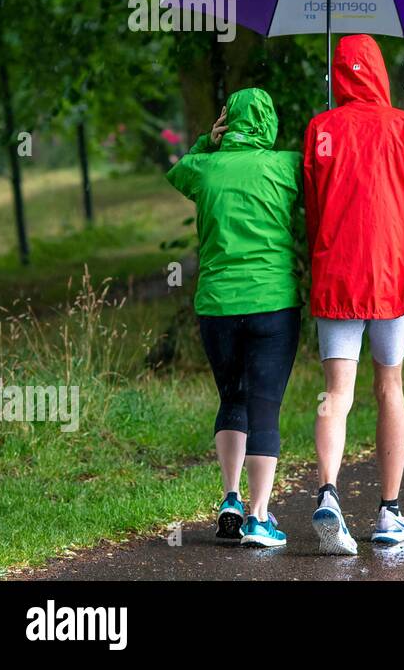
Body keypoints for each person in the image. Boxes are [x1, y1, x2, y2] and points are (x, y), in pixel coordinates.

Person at [303, 34, 404, 554]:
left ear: (338, 76)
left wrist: (319, 269)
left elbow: (314, 214)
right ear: (381, 72)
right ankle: (389, 512)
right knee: (390, 388)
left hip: (336, 277)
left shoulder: (320, 129)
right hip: (392, 281)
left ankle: (328, 494)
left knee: (335, 393)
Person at [166, 88, 302, 549]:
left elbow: (178, 172)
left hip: (217, 307)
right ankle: (259, 519)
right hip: (272, 302)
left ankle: (230, 496)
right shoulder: (286, 166)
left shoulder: (204, 169)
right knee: (265, 405)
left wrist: (208, 140)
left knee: (232, 397)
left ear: (229, 121)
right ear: (268, 122)